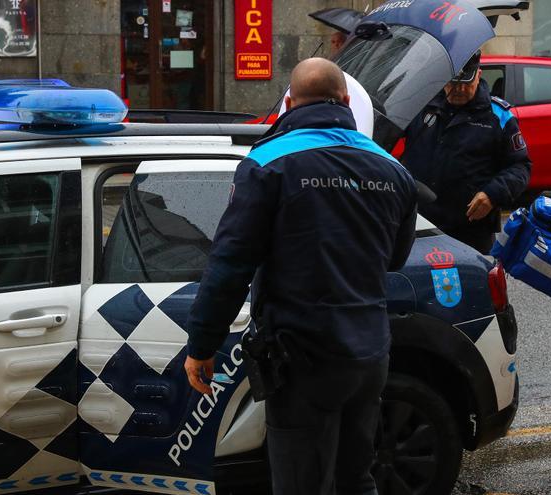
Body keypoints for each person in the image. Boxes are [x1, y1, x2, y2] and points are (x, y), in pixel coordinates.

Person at [184, 58, 417, 494]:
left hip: (303, 355)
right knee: (356, 478)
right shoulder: (393, 169)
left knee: (300, 484)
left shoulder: (267, 162)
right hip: (369, 352)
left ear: (289, 102)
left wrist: (202, 343)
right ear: (347, 101)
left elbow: (231, 263)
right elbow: (395, 258)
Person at [400, 50, 531, 254]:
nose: (459, 89)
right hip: (419, 223)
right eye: (453, 83)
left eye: (466, 83)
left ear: (478, 74)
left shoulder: (498, 116)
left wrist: (493, 194)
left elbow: (520, 166)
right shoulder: (419, 106)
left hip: (470, 229)